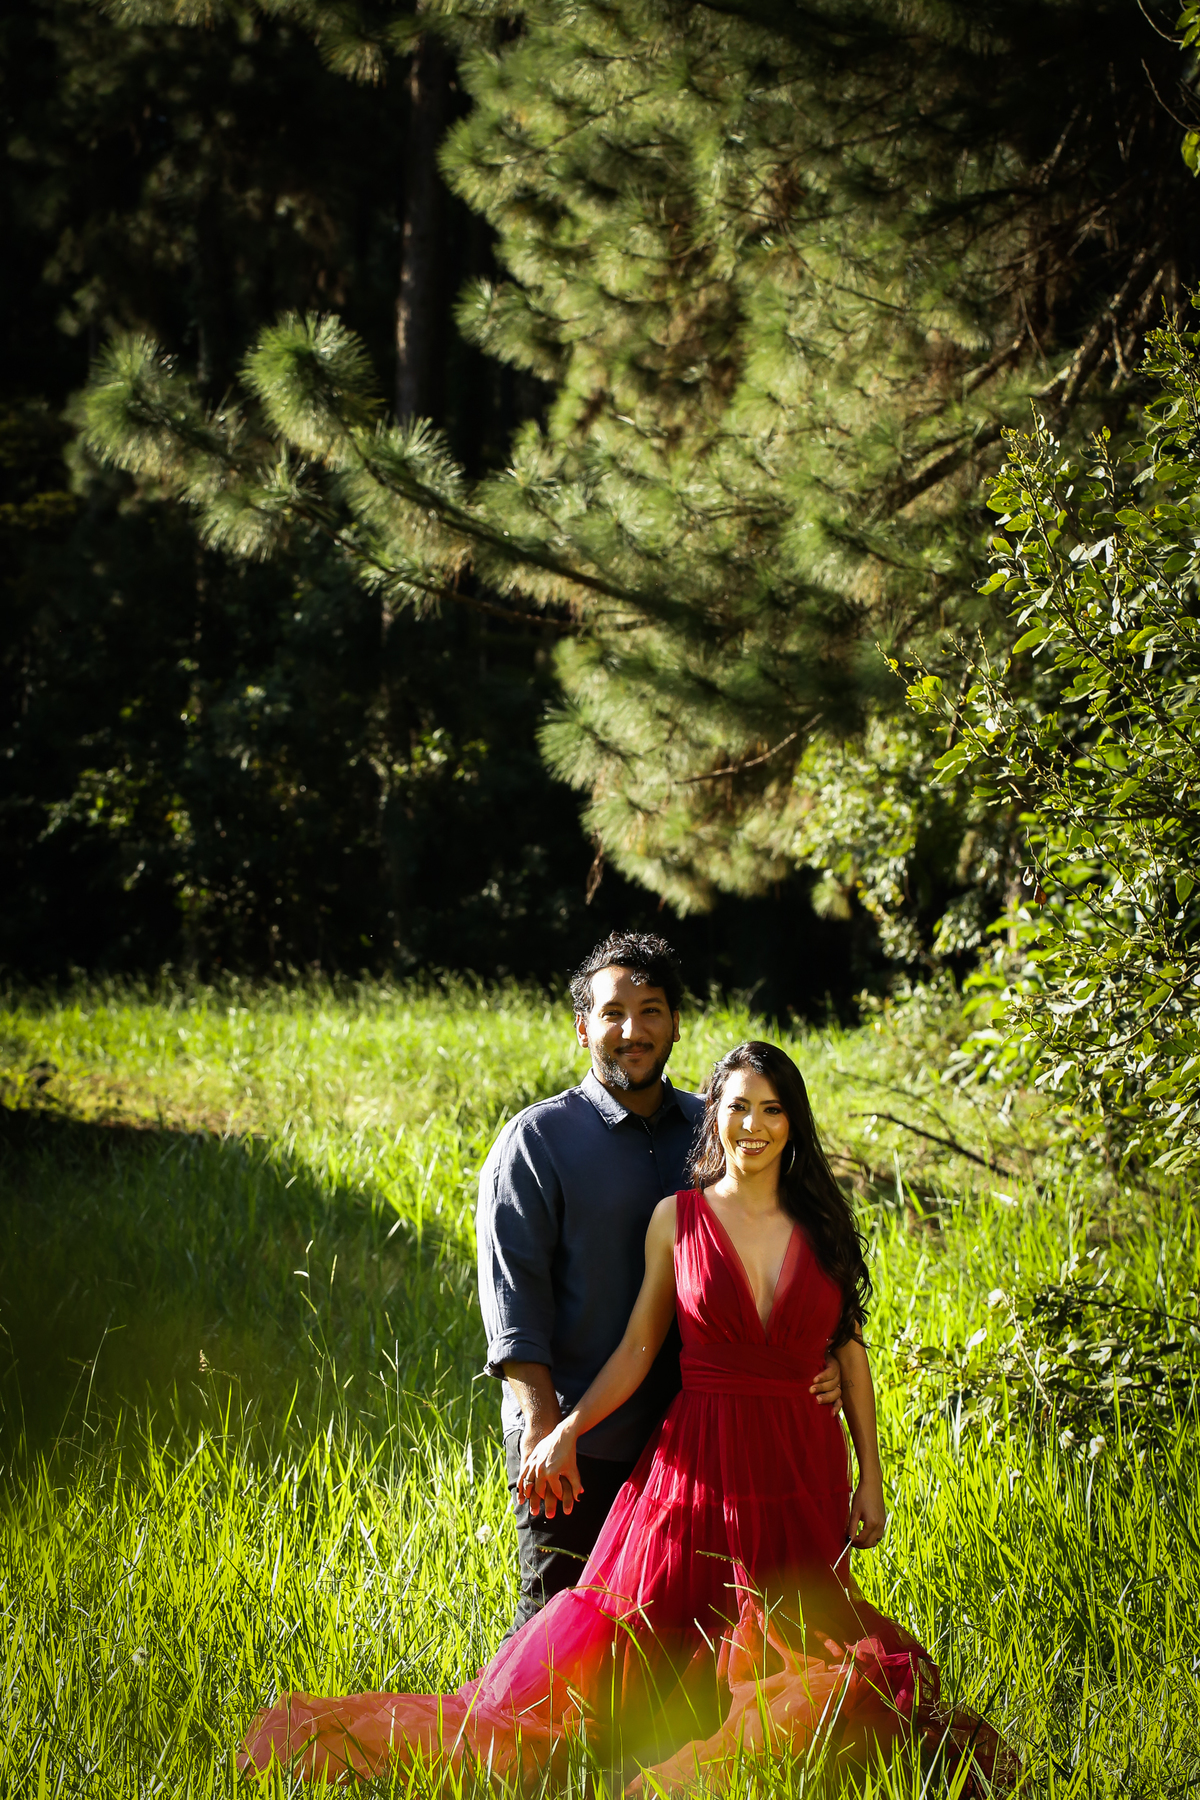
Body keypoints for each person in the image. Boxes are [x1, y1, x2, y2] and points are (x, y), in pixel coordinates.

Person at [240, 1042, 1014, 1792]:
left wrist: (870, 1480)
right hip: (701, 1456)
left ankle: (768, 1755)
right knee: (665, 1640)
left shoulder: (823, 1224)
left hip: (801, 1463)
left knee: (802, 1641)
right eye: (738, 1107)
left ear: (793, 1122)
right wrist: (566, 1430)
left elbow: (849, 1353)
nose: (754, 1125)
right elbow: (640, 1349)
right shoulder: (675, 1220)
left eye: (773, 1109)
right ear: (713, 1116)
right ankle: (671, 1752)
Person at [476, 931, 840, 1636]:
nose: (632, 1031)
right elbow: (515, 1312)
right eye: (613, 1013)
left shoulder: (717, 1129)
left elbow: (784, 1242)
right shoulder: (537, 1141)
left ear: (676, 1023)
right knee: (558, 1646)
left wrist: (813, 1354)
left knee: (688, 1654)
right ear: (584, 1026)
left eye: (650, 1011)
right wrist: (548, 1431)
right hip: (580, 1452)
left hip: (700, 1454)